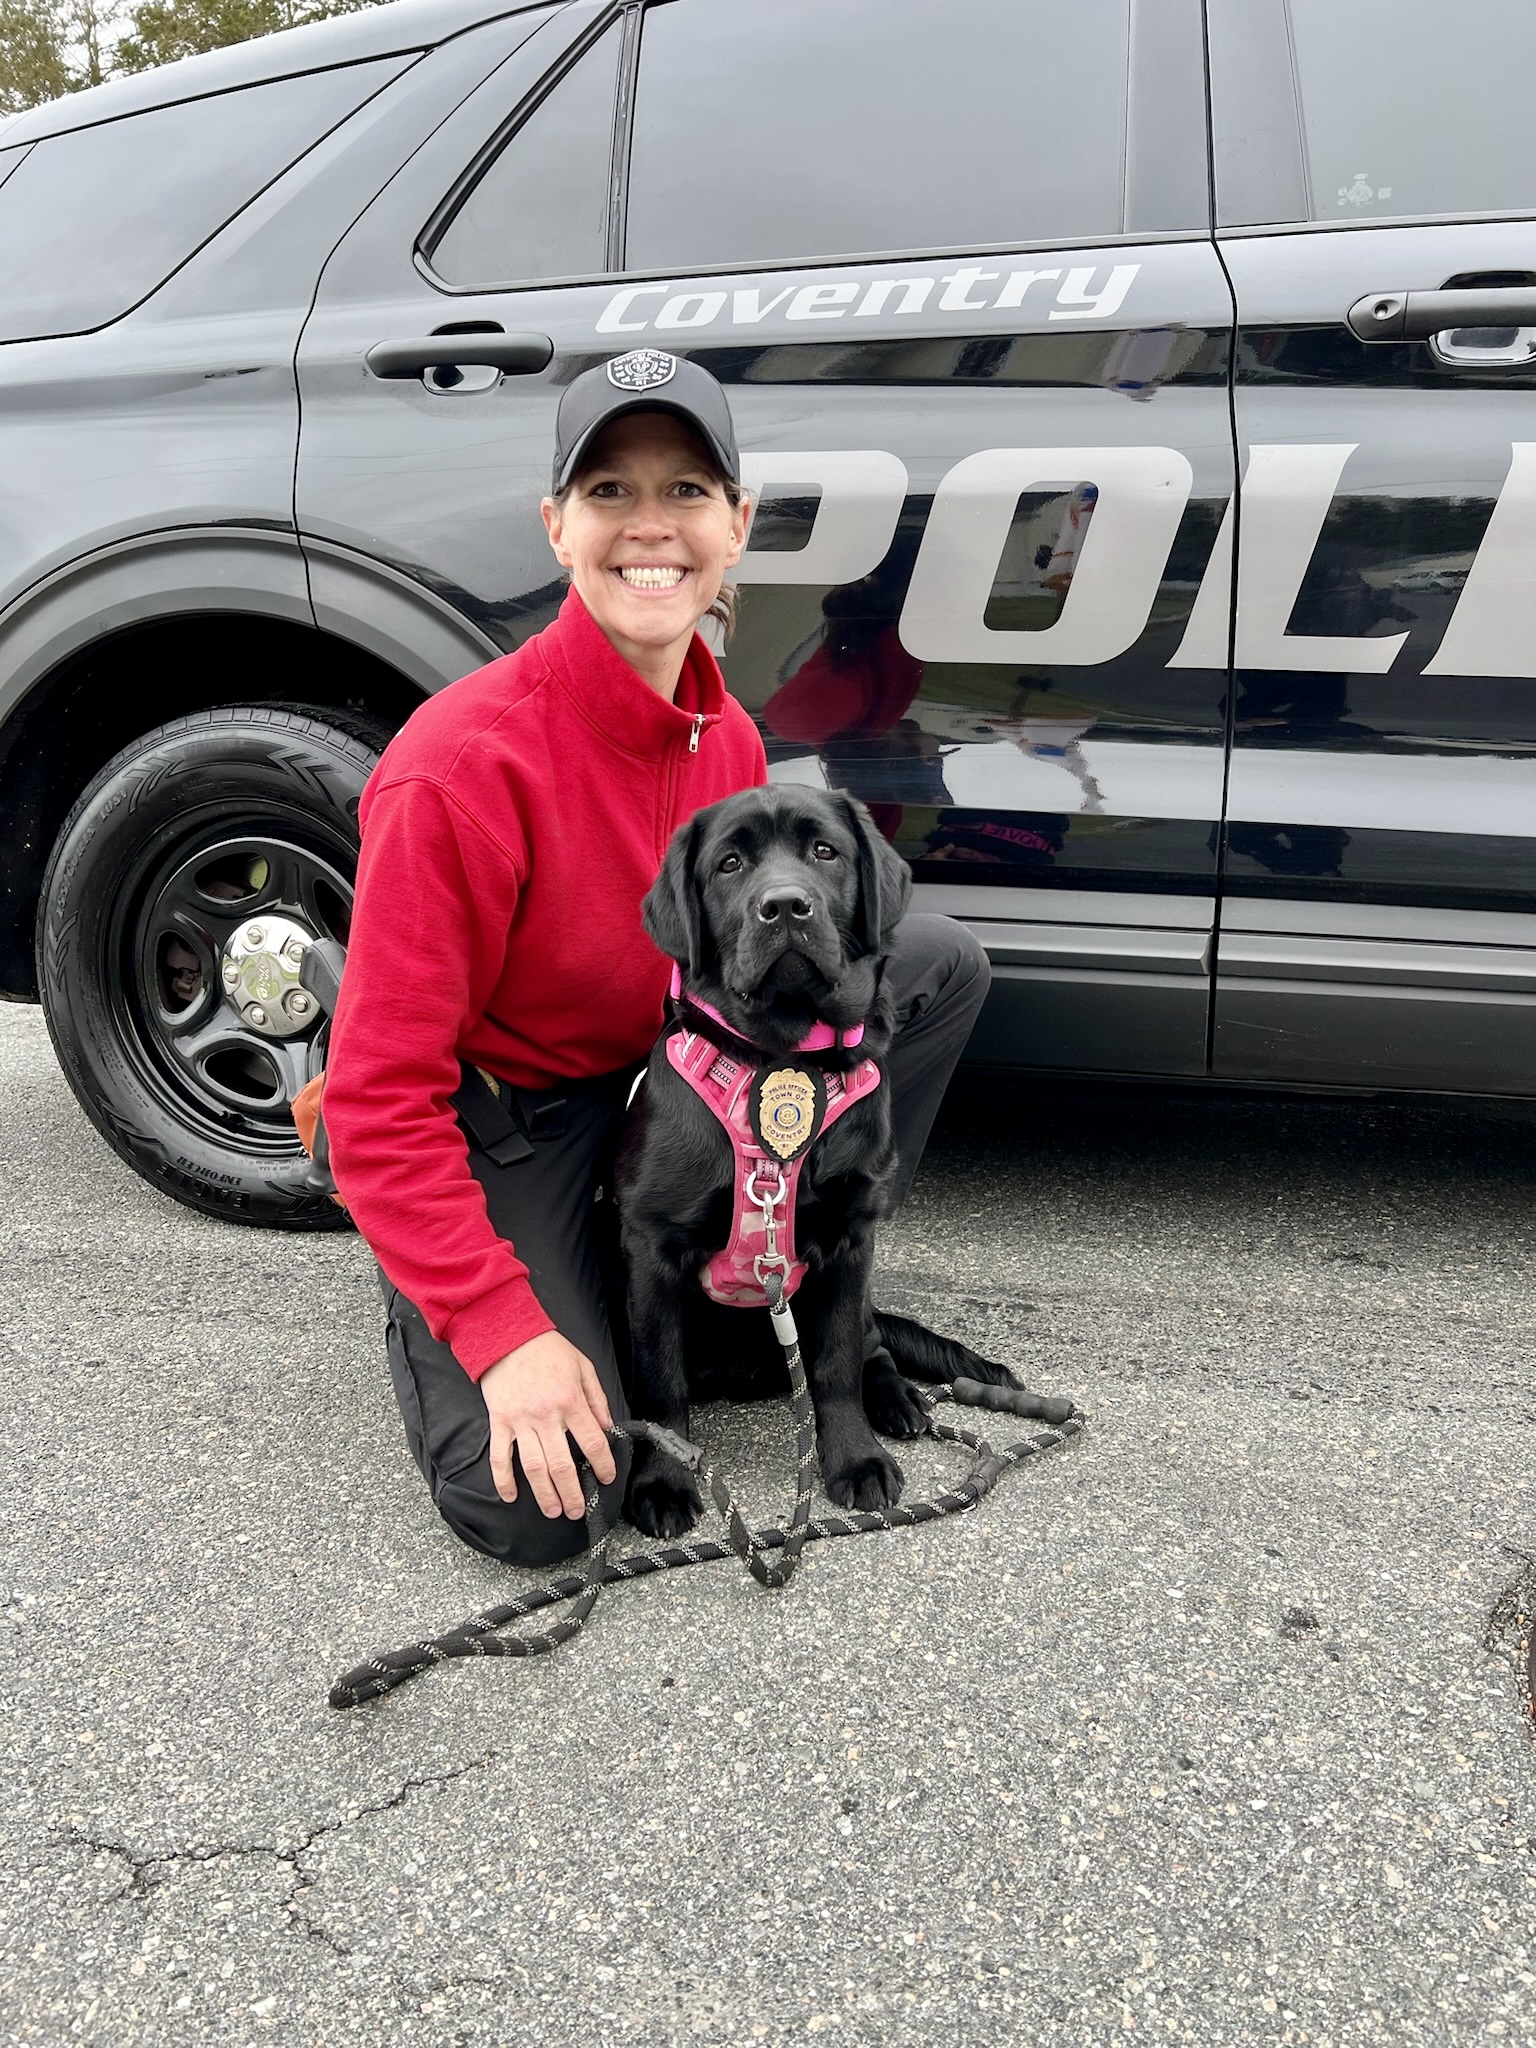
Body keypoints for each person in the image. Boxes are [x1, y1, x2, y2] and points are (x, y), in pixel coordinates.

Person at [322, 350, 993, 1569]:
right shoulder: (457, 767)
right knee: (545, 1505)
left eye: (686, 489)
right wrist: (498, 1327)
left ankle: (812, 1250)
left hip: (667, 1074)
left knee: (937, 960)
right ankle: (461, 1282)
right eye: (609, 492)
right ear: (557, 526)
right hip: (514, 1118)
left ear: (736, 525)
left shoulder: (724, 735)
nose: (650, 525)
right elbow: (374, 1098)